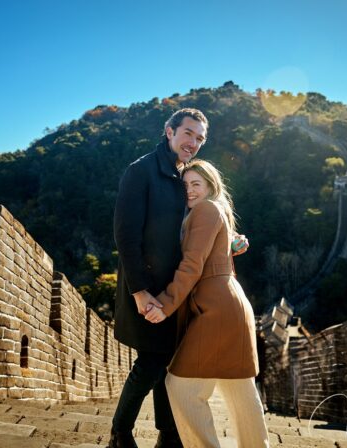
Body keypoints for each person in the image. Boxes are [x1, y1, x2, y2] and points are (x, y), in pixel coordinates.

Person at [144, 159, 269, 448]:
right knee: (240, 389)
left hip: (217, 309)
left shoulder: (205, 210)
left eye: (195, 184)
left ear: (211, 185)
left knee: (181, 386)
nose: (189, 190)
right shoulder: (213, 210)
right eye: (184, 185)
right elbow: (212, 256)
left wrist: (164, 303)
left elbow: (192, 264)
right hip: (229, 303)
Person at [110, 109, 209, 448]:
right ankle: (120, 435)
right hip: (148, 288)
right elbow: (125, 235)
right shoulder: (141, 172)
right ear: (169, 132)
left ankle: (168, 435)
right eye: (188, 134)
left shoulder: (186, 176)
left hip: (175, 291)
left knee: (168, 362)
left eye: (199, 138)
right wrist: (139, 292)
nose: (193, 143)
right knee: (152, 360)